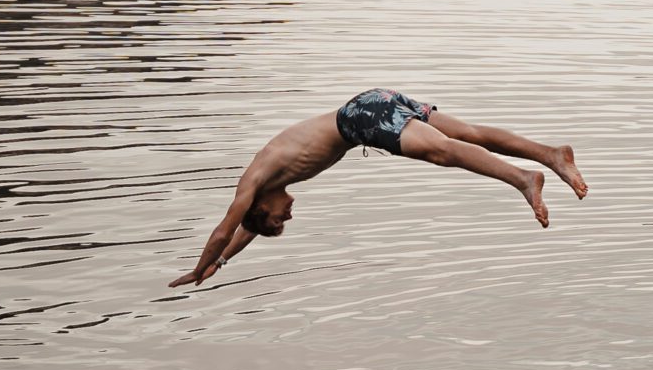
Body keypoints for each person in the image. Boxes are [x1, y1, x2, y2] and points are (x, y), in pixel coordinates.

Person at [168, 88, 587, 288]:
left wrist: (197, 267)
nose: (290, 214)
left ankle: (523, 179)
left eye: (280, 218)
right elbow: (242, 236)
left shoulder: (253, 182)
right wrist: (219, 266)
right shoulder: (267, 187)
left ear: (259, 207)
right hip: (372, 105)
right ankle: (550, 155)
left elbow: (228, 228)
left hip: (358, 119)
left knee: (441, 151)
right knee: (470, 134)